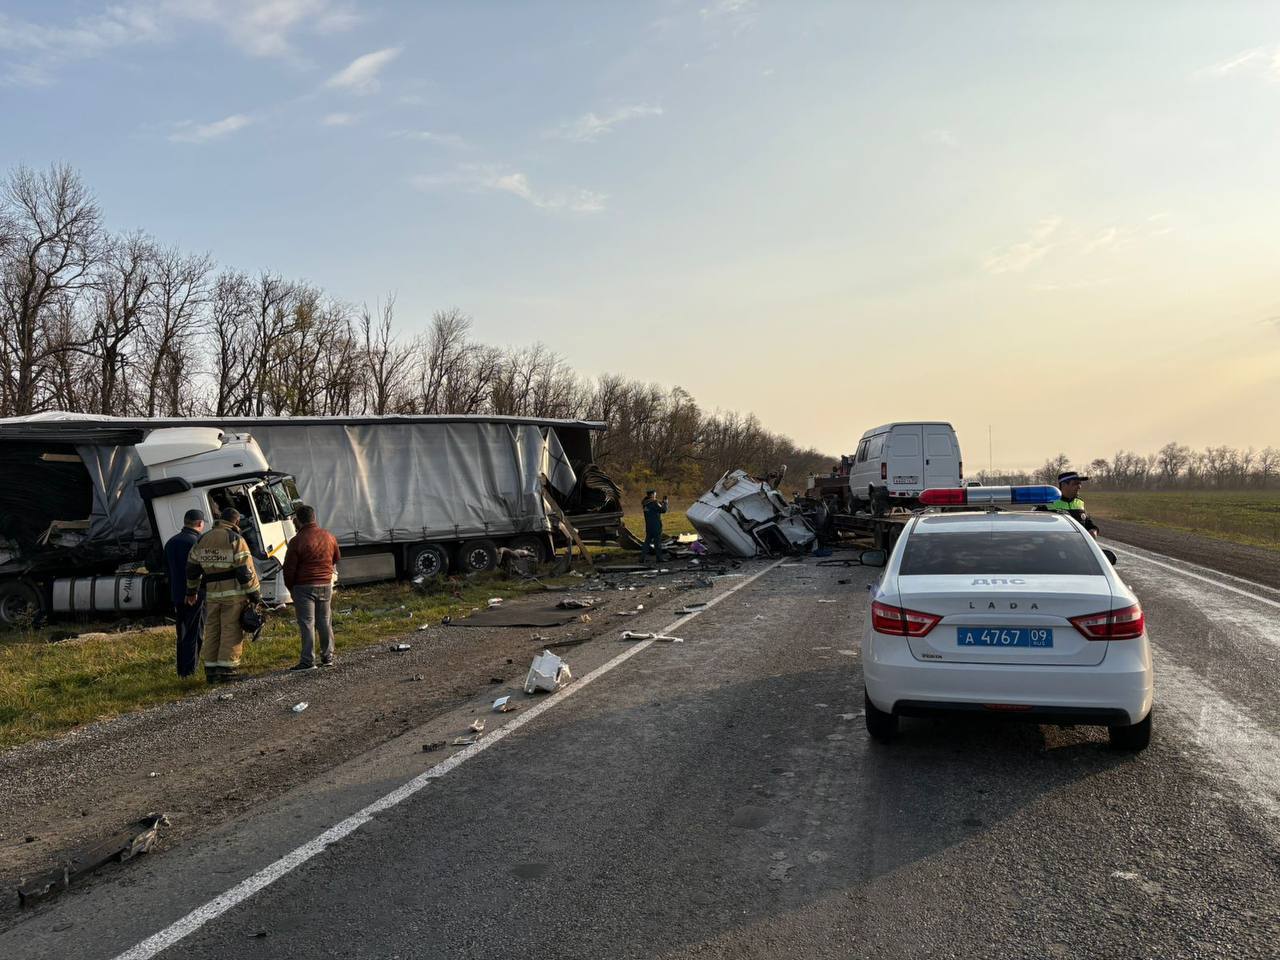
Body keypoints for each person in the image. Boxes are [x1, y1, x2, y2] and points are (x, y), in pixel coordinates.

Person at [185, 507, 261, 684]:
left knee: (212, 630)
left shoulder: (203, 539)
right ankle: (227, 671)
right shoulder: (235, 539)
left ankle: (211, 671)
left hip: (212, 595)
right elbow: (245, 571)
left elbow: (192, 569)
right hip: (234, 595)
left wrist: (191, 591)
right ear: (236, 522)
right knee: (231, 630)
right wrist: (255, 594)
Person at [281, 504, 341, 671]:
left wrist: (291, 588)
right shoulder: (329, 536)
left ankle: (308, 661)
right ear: (314, 518)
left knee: (307, 623)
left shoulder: (296, 541)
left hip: (303, 587)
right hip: (325, 584)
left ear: (298, 521)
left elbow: (289, 569)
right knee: (324, 621)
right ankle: (328, 657)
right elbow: (336, 557)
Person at [165, 509, 206, 678]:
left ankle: (181, 670)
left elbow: (166, 568)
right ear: (200, 523)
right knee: (195, 632)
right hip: (194, 594)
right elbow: (200, 570)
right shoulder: (197, 542)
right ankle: (190, 671)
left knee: (181, 633)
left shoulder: (171, 542)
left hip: (177, 594)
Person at [1047, 470, 1100, 539]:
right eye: (1075, 484)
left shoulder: (1080, 502)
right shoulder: (1048, 503)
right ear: (1064, 485)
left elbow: (1089, 524)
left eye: (1080, 483)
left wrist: (1094, 531)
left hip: (1077, 547)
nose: (1079, 486)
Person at [641, 489, 669, 564]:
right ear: (652, 494)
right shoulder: (654, 503)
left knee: (647, 543)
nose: (656, 496)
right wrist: (665, 503)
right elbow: (663, 510)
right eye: (655, 494)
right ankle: (659, 558)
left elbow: (655, 507)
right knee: (657, 543)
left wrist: (660, 503)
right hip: (656, 526)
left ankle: (642, 558)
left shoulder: (645, 503)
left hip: (648, 526)